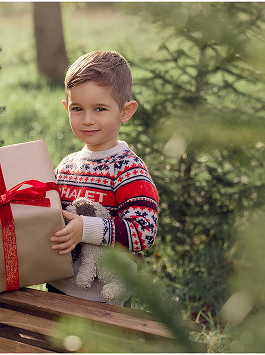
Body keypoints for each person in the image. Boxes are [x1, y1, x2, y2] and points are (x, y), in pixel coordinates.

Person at [47, 51, 159, 304]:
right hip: (57, 287)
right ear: (66, 109)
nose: (87, 120)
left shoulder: (129, 170)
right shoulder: (66, 166)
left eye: (100, 109)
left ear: (125, 111)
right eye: (77, 109)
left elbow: (143, 231)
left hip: (107, 297)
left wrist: (86, 229)